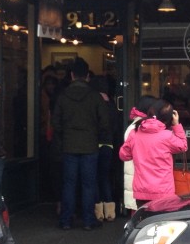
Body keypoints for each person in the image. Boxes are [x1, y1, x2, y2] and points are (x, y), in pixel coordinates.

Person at [51, 58, 111, 231]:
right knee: (88, 184)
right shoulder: (94, 97)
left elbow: (56, 123)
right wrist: (95, 135)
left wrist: (64, 137)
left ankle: (66, 220)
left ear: (71, 75)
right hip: (90, 146)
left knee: (69, 184)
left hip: (69, 146)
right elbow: (104, 122)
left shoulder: (63, 96)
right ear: (87, 76)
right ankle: (88, 220)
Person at [119, 99, 187, 207]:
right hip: (163, 191)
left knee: (144, 222)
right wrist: (177, 125)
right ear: (169, 118)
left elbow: (124, 155)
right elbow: (183, 146)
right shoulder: (167, 136)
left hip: (141, 192)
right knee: (162, 222)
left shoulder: (134, 132)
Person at [90, 75, 122, 222]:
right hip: (109, 145)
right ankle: (110, 212)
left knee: (94, 177)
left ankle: (98, 212)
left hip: (94, 144)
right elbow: (115, 127)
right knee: (105, 177)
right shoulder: (113, 105)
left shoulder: (94, 103)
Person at [121, 96, 157, 216]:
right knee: (140, 215)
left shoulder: (135, 126)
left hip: (138, 180)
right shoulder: (138, 128)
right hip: (139, 180)